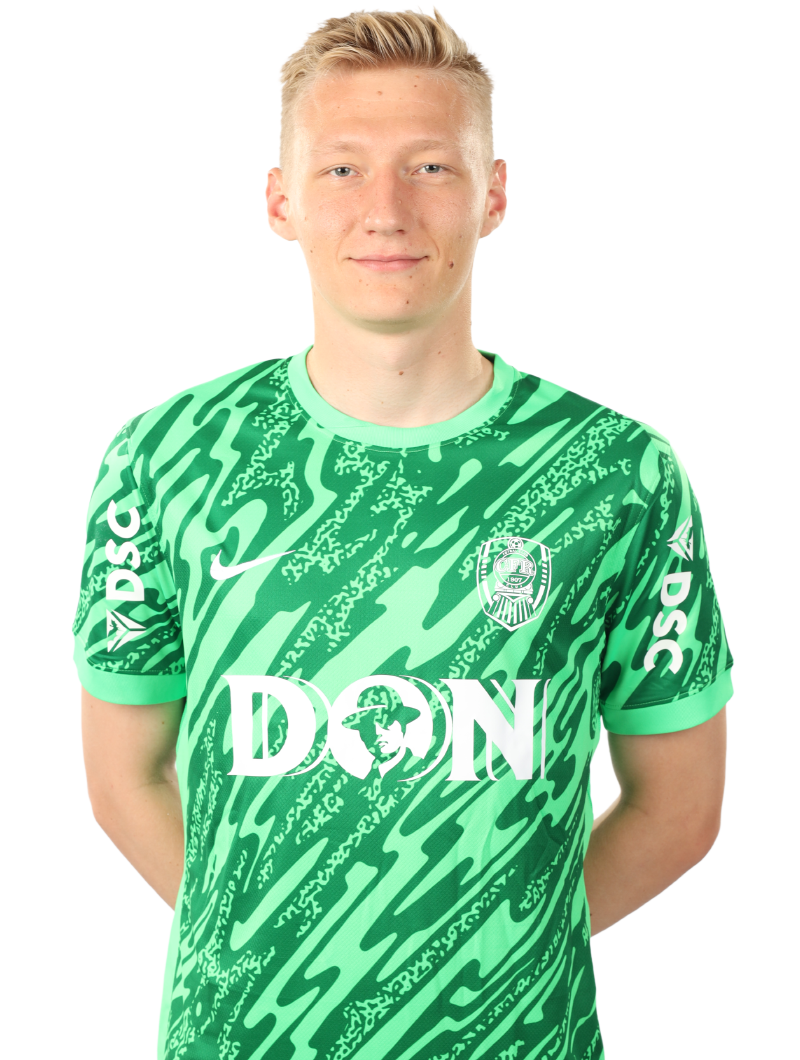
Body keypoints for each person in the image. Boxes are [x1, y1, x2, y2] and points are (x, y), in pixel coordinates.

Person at [75, 10, 732, 1059]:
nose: (384, 209)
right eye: (341, 169)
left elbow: (679, 809)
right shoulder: (166, 459)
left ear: (494, 194)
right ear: (281, 201)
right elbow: (123, 780)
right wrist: (270, 956)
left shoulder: (617, 474)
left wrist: (492, 957)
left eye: (430, 166)